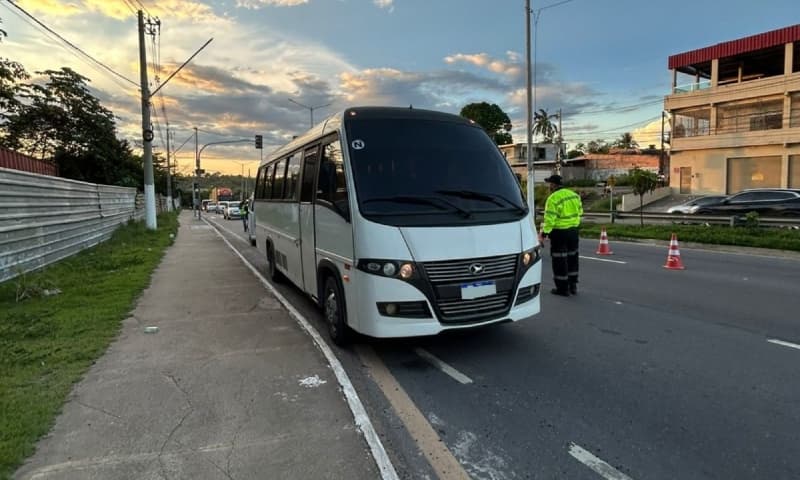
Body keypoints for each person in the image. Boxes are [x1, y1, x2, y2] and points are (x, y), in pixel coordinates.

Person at [540, 174, 583, 296]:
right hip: (573, 231)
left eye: (550, 184)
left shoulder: (553, 198)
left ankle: (563, 289)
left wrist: (544, 233)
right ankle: (573, 286)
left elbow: (550, 219)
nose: (549, 186)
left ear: (553, 185)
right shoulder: (574, 195)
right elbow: (580, 212)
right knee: (572, 258)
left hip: (560, 233)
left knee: (560, 260)